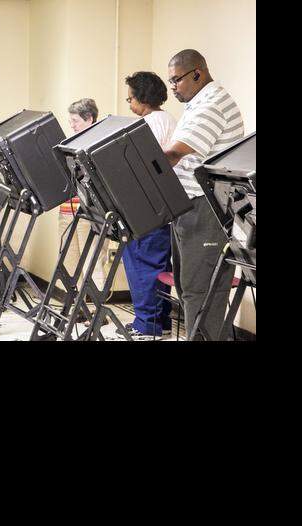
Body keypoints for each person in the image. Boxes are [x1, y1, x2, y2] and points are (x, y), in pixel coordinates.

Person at [161, 49, 244, 341]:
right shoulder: (198, 103)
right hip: (189, 205)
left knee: (201, 289)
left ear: (197, 73)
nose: (172, 88)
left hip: (206, 208)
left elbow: (174, 154)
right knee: (187, 288)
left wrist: (134, 163)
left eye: (176, 80)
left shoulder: (212, 105)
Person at [118, 71, 177, 339]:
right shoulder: (168, 120)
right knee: (159, 266)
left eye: (130, 98)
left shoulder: (149, 124)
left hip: (148, 207)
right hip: (165, 208)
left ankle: (146, 326)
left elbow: (139, 168)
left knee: (142, 264)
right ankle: (160, 321)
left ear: (142, 97)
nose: (129, 104)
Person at [59, 98, 110, 307]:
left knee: (93, 260)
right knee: (70, 261)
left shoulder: (100, 142)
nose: (71, 125)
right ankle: (78, 307)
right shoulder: (71, 143)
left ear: (89, 119)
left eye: (75, 120)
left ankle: (98, 309)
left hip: (91, 212)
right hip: (68, 209)